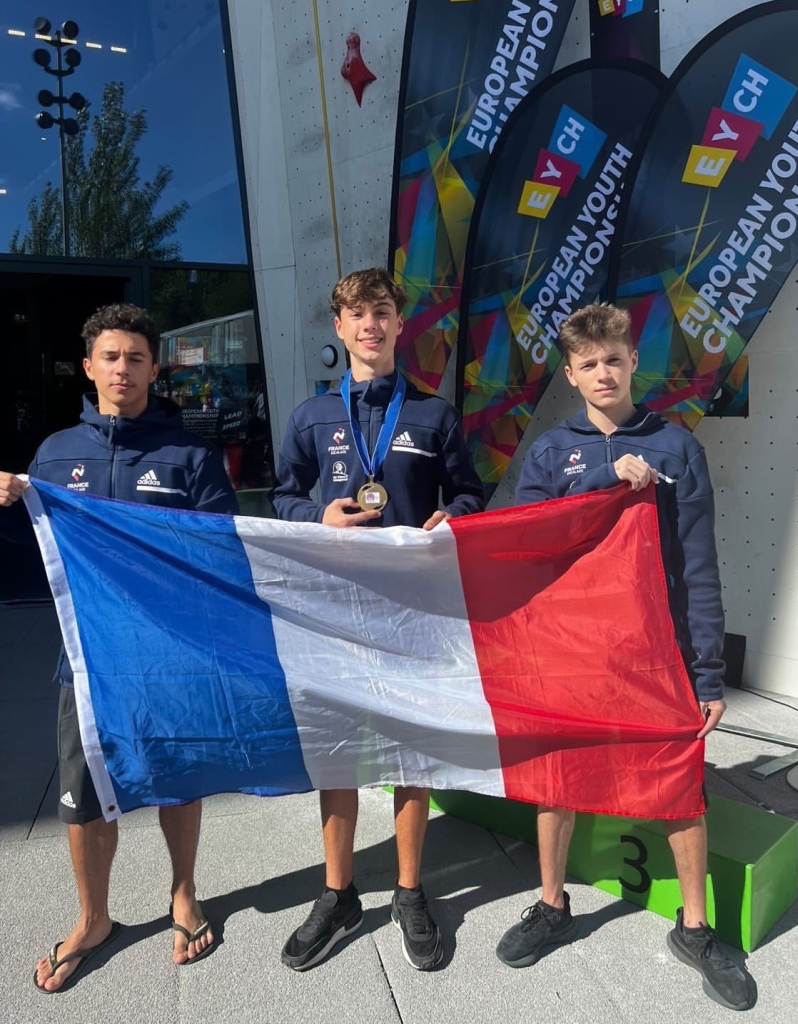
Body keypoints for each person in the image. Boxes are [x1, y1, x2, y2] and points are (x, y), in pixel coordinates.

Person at [495, 303, 755, 1012]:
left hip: (656, 652)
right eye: (588, 363)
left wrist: (707, 673)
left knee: (679, 783)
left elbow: (697, 567)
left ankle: (695, 928)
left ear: (633, 360)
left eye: (613, 359)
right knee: (556, 781)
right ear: (570, 374)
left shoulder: (676, 448)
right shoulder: (550, 453)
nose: (603, 372)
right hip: (572, 649)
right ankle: (552, 905)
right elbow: (530, 549)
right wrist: (602, 487)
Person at [0, 303, 238, 993]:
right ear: (88, 367)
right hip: (87, 660)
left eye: (136, 358)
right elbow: (31, 548)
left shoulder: (190, 455)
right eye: (111, 356)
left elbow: (221, 544)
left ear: (154, 369)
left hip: (170, 654)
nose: (123, 369)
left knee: (178, 779)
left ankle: (183, 892)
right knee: (81, 792)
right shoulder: (55, 453)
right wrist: (9, 506)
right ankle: (94, 917)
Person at [271, 267, 484, 972]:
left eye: (382, 311)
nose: (370, 324)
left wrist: (453, 516)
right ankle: (338, 894)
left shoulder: (434, 415)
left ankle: (409, 889)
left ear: (399, 323)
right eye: (357, 313)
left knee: (410, 749)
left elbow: (470, 493)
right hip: (333, 608)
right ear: (339, 327)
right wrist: (316, 516)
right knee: (337, 747)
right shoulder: (311, 416)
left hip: (411, 611)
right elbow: (281, 496)